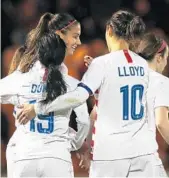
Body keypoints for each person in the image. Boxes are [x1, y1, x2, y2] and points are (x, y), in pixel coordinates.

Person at [17, 10, 162, 177]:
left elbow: (77, 97)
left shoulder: (102, 64)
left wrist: (38, 108)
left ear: (109, 29)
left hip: (111, 154)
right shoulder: (143, 64)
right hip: (142, 152)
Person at [1, 15, 89, 177]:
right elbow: (83, 120)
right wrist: (75, 143)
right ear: (59, 36)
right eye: (75, 36)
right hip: (57, 158)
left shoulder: (21, 78)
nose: (79, 42)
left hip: (22, 156)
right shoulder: (71, 83)